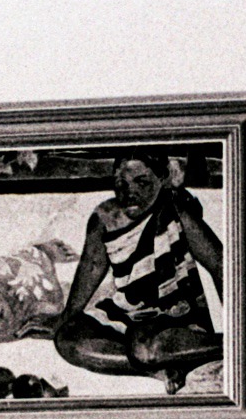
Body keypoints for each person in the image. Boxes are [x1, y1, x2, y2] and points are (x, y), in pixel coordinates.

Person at [51, 152, 224, 392]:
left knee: (145, 348)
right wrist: (68, 316)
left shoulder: (177, 211)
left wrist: (241, 328)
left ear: (162, 179)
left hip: (174, 315)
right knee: (68, 341)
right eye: (121, 184)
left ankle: (226, 346)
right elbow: (91, 266)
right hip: (126, 312)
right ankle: (164, 368)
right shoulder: (104, 217)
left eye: (141, 182)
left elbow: (221, 266)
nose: (130, 192)